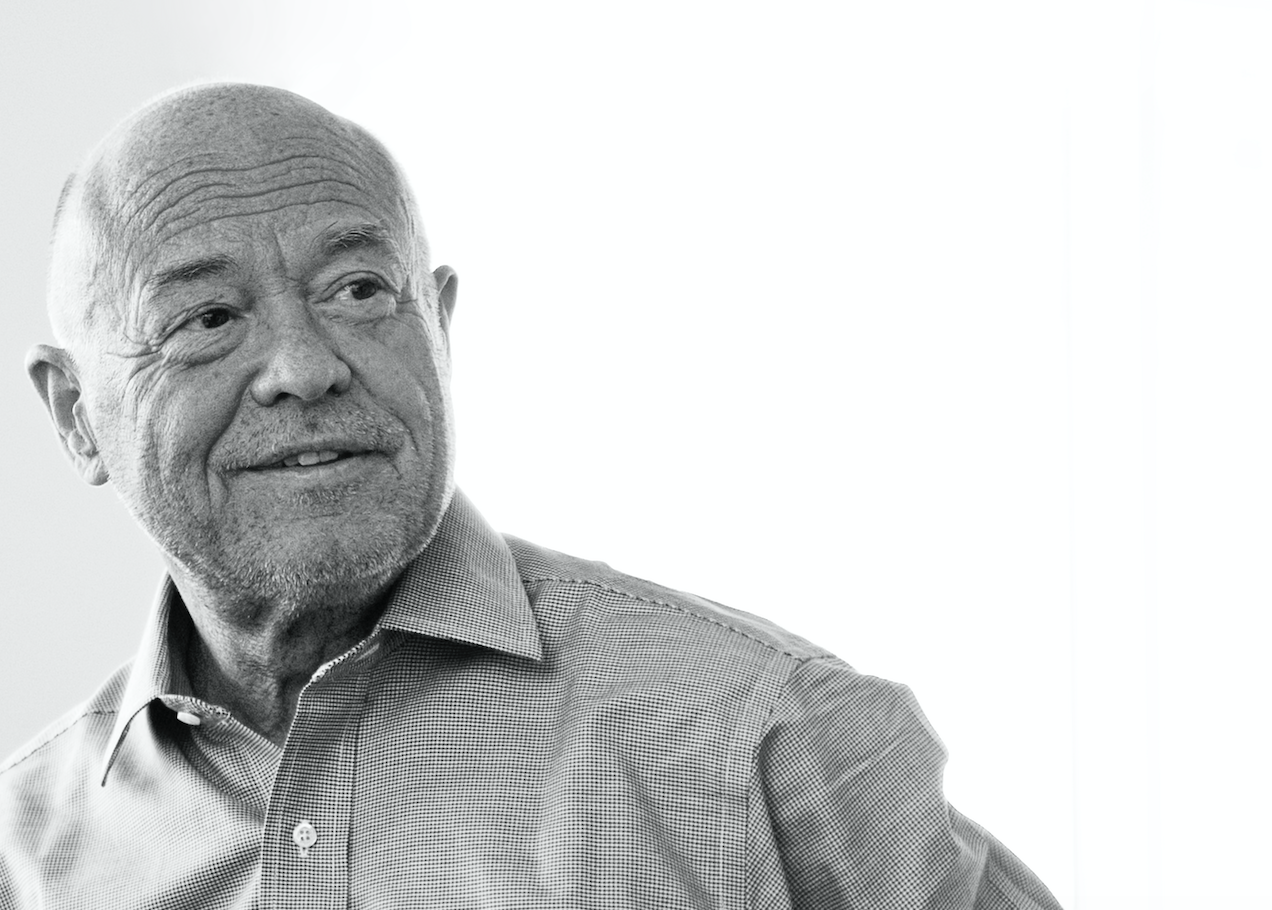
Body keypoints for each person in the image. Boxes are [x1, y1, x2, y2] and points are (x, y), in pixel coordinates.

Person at [0, 83, 1062, 909]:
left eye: (360, 290)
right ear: (76, 415)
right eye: (206, 319)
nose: (305, 368)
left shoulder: (773, 737)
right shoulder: (21, 851)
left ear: (440, 325)